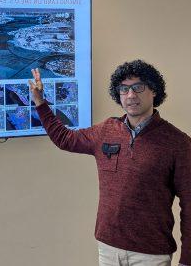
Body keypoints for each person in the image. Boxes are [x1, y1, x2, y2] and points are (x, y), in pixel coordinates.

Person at [28, 60, 191, 266]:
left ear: (154, 91)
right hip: (108, 249)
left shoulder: (177, 142)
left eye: (138, 87)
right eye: (124, 89)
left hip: (151, 254)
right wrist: (40, 102)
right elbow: (64, 138)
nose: (131, 95)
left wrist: (187, 259)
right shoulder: (106, 131)